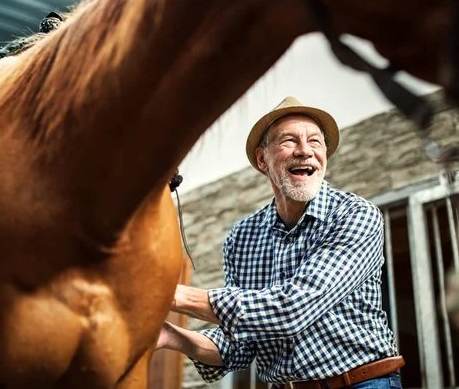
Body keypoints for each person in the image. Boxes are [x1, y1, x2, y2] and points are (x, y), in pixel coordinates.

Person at [157, 96, 404, 388]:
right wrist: (170, 335)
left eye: (315, 142)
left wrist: (169, 295)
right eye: (289, 141)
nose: (304, 151)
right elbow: (237, 347)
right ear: (263, 159)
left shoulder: (355, 215)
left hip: (362, 384)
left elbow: (293, 309)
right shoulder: (241, 239)